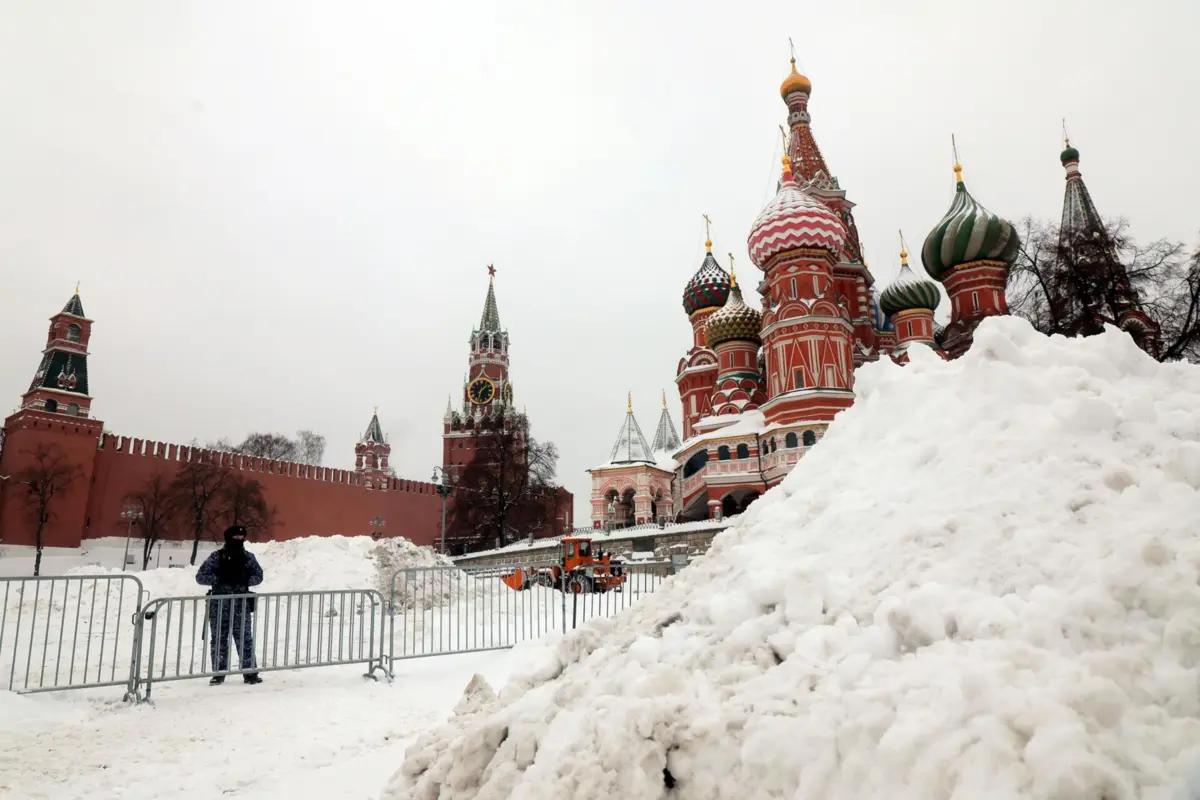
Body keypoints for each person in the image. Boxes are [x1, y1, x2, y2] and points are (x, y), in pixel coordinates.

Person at [196, 525, 265, 685]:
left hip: (241, 606)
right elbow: (200, 577)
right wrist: (219, 578)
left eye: (242, 538)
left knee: (245, 640)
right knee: (219, 640)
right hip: (219, 606)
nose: (239, 540)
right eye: (236, 538)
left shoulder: (248, 558)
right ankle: (219, 673)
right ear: (229, 538)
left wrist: (245, 579)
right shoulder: (217, 557)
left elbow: (259, 576)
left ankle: (250, 673)